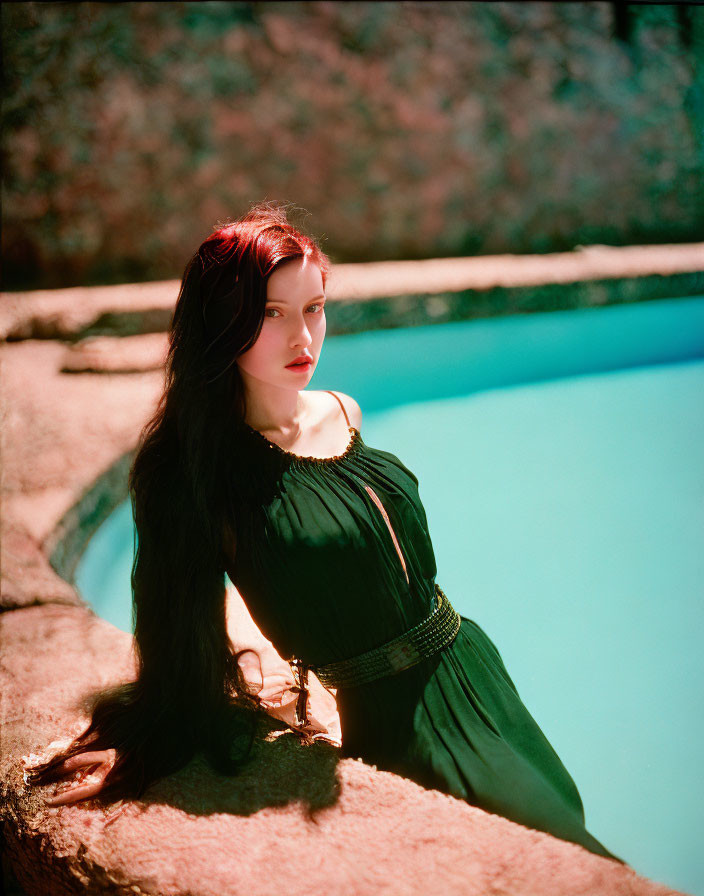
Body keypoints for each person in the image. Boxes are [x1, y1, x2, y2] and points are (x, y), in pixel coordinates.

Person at [25, 203, 621, 862]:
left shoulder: (343, 410)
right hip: (388, 716)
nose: (302, 338)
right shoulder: (199, 474)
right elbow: (178, 634)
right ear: (221, 321)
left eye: (314, 308)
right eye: (271, 313)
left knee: (573, 840)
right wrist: (139, 734)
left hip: (473, 669)